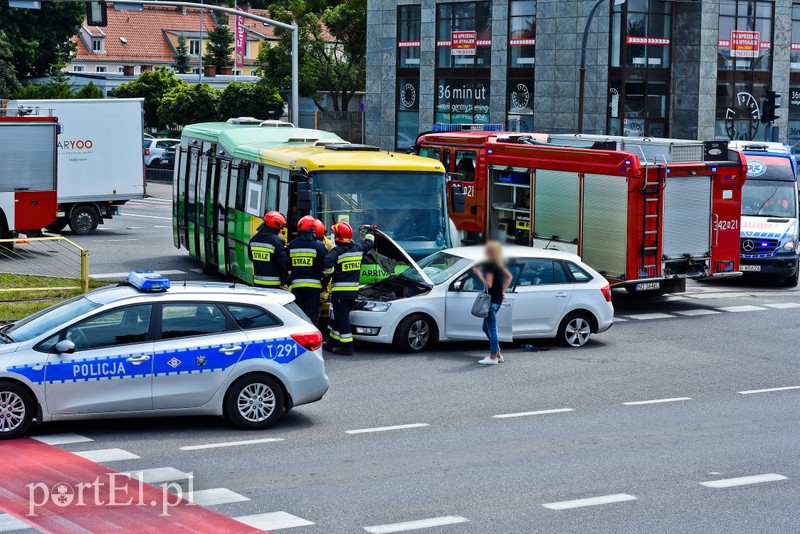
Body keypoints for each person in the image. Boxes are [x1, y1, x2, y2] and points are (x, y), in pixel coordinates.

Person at [323, 222, 375, 355]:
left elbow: (327, 261)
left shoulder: (337, 251)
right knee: (338, 317)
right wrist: (371, 231)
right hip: (352, 293)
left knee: (343, 319)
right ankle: (332, 343)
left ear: (338, 237)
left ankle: (347, 348)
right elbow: (369, 242)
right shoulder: (358, 248)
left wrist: (332, 273)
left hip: (340, 293)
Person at [472, 241, 512, 365]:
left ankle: (493, 357)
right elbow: (509, 277)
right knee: (486, 328)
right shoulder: (499, 264)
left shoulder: (489, 266)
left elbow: (488, 284)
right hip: (497, 301)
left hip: (490, 303)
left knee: (492, 330)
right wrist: (503, 291)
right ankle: (498, 353)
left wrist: (479, 274)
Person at [287, 215, 328, 323]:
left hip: (296, 285)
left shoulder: (292, 245)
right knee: (311, 314)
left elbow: (287, 265)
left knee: (298, 313)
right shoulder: (319, 246)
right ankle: (311, 337)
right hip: (313, 287)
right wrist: (324, 283)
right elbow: (324, 267)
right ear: (313, 229)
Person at [248, 210, 288, 288]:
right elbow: (283, 262)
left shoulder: (253, 239)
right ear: (276, 225)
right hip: (273, 283)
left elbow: (251, 257)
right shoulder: (276, 241)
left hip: (257, 281)